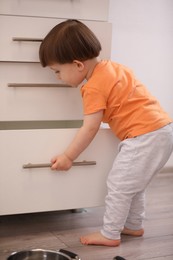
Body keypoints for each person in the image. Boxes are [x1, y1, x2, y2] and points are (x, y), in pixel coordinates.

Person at [39, 19, 173, 247]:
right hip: (162, 130)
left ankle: (110, 234)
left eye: (58, 71)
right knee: (134, 185)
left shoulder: (92, 87)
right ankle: (133, 225)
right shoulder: (115, 68)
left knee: (118, 185)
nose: (58, 77)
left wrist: (68, 156)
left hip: (143, 136)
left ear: (78, 65)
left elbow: (90, 127)